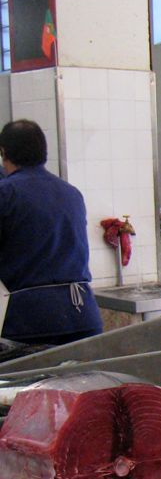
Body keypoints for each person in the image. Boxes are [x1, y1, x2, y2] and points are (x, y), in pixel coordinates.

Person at [0, 119, 102, 344]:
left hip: (30, 321)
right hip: (83, 316)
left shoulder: (7, 193)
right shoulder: (71, 193)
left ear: (4, 152)